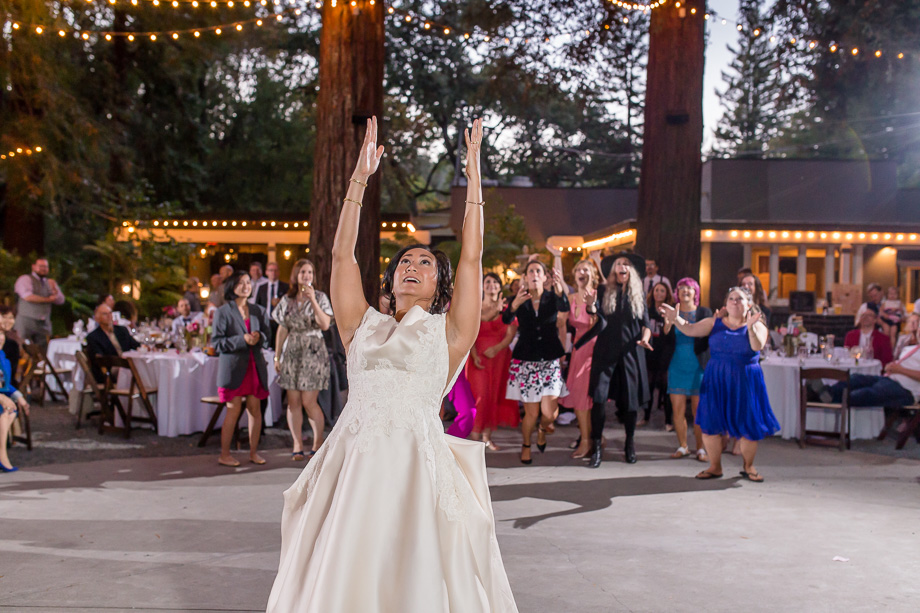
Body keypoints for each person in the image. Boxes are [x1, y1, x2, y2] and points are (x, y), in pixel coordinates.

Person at [267, 118, 517, 611]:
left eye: (425, 263)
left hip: (414, 472)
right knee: (346, 570)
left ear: (439, 286)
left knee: (411, 573)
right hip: (353, 466)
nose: (411, 266)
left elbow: (472, 257)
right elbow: (341, 258)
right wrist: (359, 179)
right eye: (405, 261)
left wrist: (474, 174)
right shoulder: (361, 324)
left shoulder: (450, 332)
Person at [660, 286, 779, 482]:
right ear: (725, 304)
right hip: (716, 379)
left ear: (748, 304)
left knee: (748, 426)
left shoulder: (757, 324)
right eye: (731, 298)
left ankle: (748, 466)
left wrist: (749, 328)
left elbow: (757, 345)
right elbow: (689, 330)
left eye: (739, 299)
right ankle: (715, 467)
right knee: (710, 424)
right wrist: (676, 319)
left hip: (745, 381)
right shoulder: (714, 323)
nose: (734, 302)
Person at [577, 253, 653, 468]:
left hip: (631, 352)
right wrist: (591, 306)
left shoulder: (639, 294)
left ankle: (629, 444)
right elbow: (596, 315)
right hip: (605, 352)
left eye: (626, 264)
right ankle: (597, 448)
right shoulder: (603, 290)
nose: (622, 266)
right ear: (613, 271)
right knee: (599, 399)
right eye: (619, 264)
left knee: (630, 403)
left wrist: (645, 339)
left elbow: (646, 323)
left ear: (632, 271)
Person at [503, 259, 570, 465]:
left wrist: (560, 291)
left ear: (543, 276)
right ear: (526, 277)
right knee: (531, 413)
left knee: (549, 413)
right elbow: (506, 320)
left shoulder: (553, 297)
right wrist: (513, 305)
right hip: (527, 361)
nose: (534, 274)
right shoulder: (519, 298)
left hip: (549, 360)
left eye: (537, 271)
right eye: (530, 271)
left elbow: (564, 307)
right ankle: (526, 445)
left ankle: (543, 429)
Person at [273, 258, 333, 461]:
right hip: (292, 352)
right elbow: (282, 329)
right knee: (293, 402)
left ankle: (317, 443)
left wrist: (313, 300)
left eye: (309, 272)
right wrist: (277, 355)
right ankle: (297, 443)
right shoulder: (287, 299)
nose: (306, 276)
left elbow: (325, 325)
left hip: (313, 351)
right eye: (303, 272)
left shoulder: (321, 297)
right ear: (296, 276)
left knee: (309, 401)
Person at [212, 270, 272, 467]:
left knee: (255, 409)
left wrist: (258, 338)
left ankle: (254, 453)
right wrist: (242, 340)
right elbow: (217, 343)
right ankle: (225, 454)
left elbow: (267, 337)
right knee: (233, 410)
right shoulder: (222, 312)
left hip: (255, 365)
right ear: (232, 287)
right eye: (241, 283)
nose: (246, 286)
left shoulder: (258, 310)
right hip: (233, 368)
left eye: (248, 282)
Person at [467, 273, 519, 450]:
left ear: (500, 286)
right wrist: (474, 355)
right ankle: (474, 434)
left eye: (495, 282)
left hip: (499, 357)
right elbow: (469, 333)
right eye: (487, 282)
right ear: (482, 286)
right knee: (480, 395)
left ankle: (486, 437)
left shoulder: (507, 308)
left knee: (492, 396)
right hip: (477, 357)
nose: (491, 285)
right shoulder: (474, 307)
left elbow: (510, 334)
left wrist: (496, 348)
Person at [664, 278, 712, 462]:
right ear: (677, 292)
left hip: (699, 366)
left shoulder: (704, 312)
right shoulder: (672, 310)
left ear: (696, 292)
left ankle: (701, 449)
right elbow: (665, 338)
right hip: (677, 364)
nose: (685, 290)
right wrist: (668, 321)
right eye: (681, 287)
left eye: (689, 287)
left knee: (698, 410)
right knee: (677, 409)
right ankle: (683, 446)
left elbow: (708, 335)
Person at [559, 259, 601, 458]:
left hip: (593, 351)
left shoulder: (597, 295)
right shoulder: (571, 297)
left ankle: (587, 441)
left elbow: (600, 323)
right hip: (577, 351)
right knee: (579, 398)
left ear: (592, 274)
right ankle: (589, 437)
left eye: (586, 269)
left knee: (586, 399)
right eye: (579, 270)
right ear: (574, 275)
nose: (582, 272)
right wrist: (557, 257)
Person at [14, 258, 65, 347]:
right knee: (23, 349)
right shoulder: (25, 279)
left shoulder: (50, 282)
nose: (43, 269)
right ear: (33, 267)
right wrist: (48, 299)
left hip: (43, 324)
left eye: (45, 266)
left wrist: (54, 290)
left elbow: (61, 300)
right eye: (41, 266)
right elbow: (28, 296)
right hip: (26, 322)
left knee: (44, 350)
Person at [0, 306, 27, 473]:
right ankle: (2, 455)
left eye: (1, 334)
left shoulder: (3, 357)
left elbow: (5, 383)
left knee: (9, 410)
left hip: (4, 395)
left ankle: (2, 454)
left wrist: (19, 396)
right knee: (5, 410)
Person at [84, 304, 141, 383]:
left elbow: (136, 345)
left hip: (128, 364)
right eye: (105, 314)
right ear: (97, 318)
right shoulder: (93, 337)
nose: (109, 316)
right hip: (111, 369)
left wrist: (146, 347)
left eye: (110, 313)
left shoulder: (122, 330)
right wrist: (121, 361)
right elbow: (99, 359)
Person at [646, 281, 674, 430]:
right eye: (657, 290)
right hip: (650, 350)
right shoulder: (647, 309)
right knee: (649, 385)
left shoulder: (670, 311)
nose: (659, 293)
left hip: (665, 351)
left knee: (665, 385)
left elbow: (671, 336)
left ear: (667, 294)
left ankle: (668, 420)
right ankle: (645, 416)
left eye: (662, 291)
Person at [256, 261, 290, 340]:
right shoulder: (262, 288)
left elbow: (290, 305)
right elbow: (257, 305)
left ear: (279, 272)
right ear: (266, 272)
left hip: (280, 322)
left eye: (275, 270)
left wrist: (281, 303)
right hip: (266, 321)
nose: (273, 273)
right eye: (271, 270)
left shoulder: (285, 287)